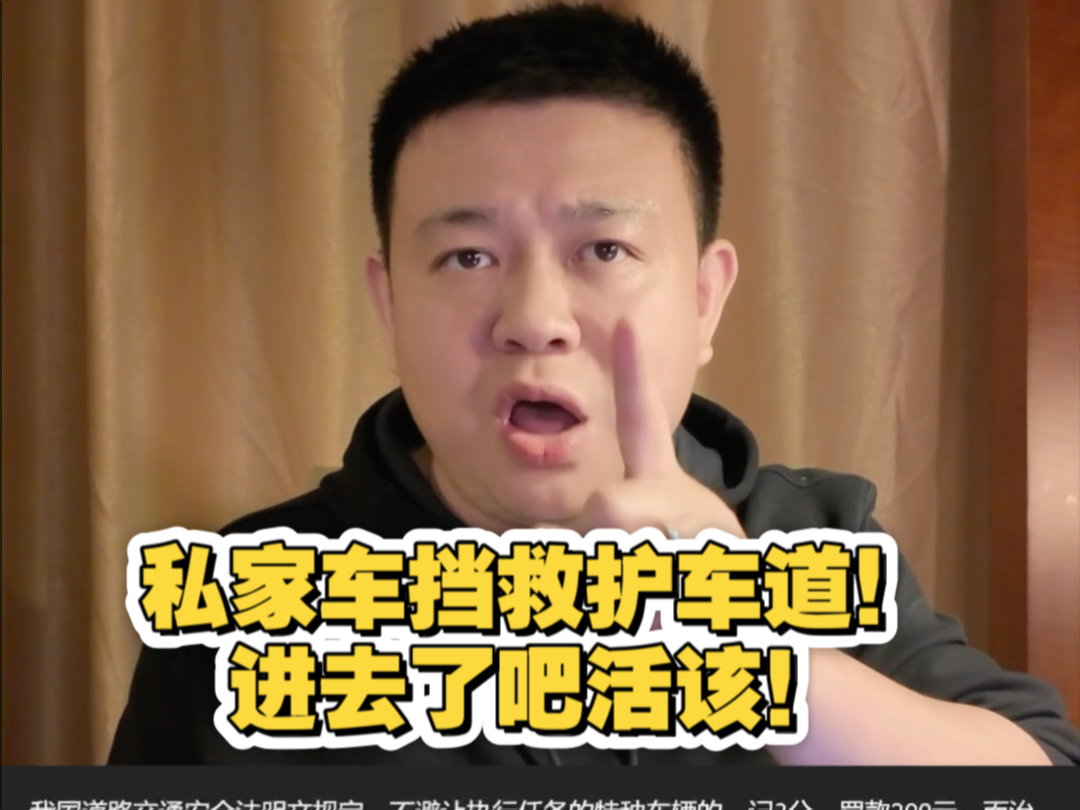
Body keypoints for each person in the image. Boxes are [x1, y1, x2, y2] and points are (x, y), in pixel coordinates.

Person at [109, 2, 1080, 766]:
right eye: (468, 257)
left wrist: (752, 650)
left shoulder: (812, 542)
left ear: (704, 300)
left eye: (604, 248)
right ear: (389, 305)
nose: (535, 317)